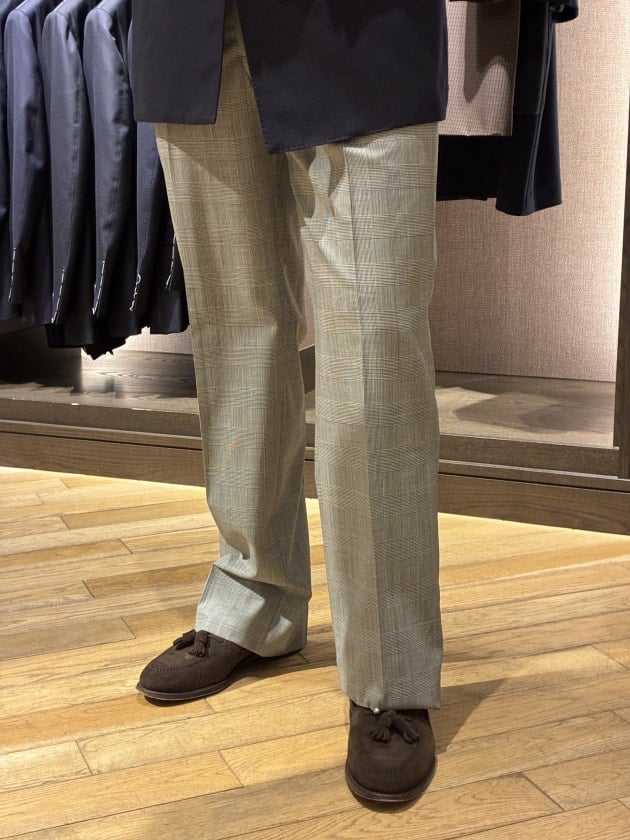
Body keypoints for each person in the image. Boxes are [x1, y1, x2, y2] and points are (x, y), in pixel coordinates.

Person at [131, 0, 450, 803]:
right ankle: (253, 598)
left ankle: (388, 673)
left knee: (375, 346)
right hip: (190, 24)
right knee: (234, 326)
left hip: (361, 22)